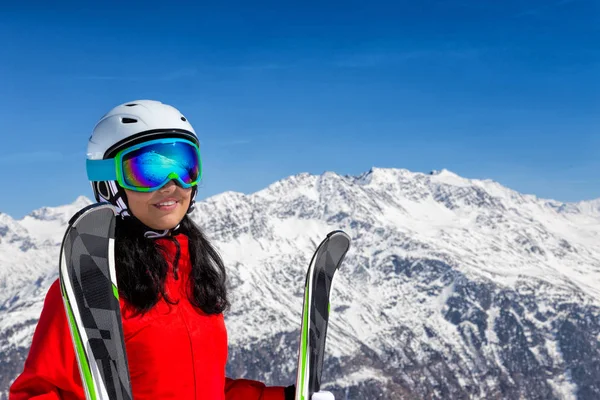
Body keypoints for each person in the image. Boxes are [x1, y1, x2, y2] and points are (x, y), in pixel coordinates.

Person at [9, 100, 334, 400]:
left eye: (184, 166)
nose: (171, 184)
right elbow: (38, 392)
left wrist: (285, 398)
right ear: (109, 183)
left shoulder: (195, 275)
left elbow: (205, 388)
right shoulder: (92, 286)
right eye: (147, 171)